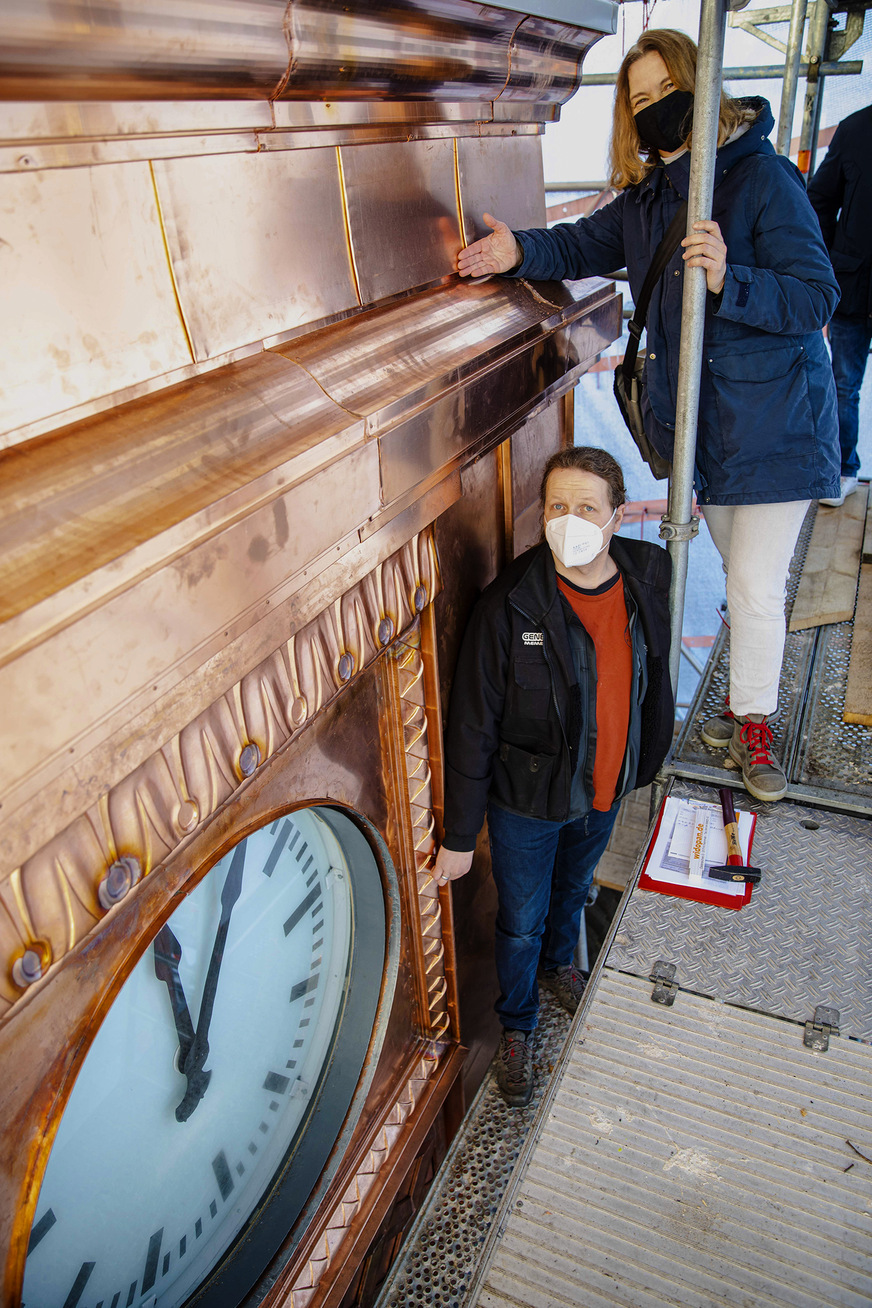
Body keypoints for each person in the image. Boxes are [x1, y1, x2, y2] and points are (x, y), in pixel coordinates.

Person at [455, 28, 841, 806]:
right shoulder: (649, 201)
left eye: (669, 92)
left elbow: (815, 296)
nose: (658, 110)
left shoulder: (764, 182)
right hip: (710, 437)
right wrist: (514, 253)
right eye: (641, 102)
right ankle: (746, 709)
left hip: (776, 428)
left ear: (703, 87)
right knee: (740, 575)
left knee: (758, 584)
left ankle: (755, 728)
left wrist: (734, 277)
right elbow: (576, 244)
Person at [432, 447, 674, 1106]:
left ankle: (561, 966)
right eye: (558, 506)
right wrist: (459, 838)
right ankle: (517, 1025)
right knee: (521, 921)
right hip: (528, 804)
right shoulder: (508, 605)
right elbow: (472, 726)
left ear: (616, 517)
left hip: (605, 790)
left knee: (575, 891)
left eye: (587, 507)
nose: (570, 519)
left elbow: (654, 682)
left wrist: (647, 762)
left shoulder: (647, 576)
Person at [807, 104, 872, 507]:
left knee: (843, 384)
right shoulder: (856, 129)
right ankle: (844, 470)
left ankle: (844, 470)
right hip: (856, 283)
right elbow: (819, 199)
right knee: (842, 384)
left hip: (852, 278)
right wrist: (830, 260)